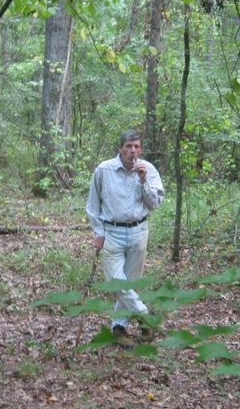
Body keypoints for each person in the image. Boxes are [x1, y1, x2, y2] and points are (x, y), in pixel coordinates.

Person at [86, 129, 164, 343]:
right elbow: (93, 205)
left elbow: (155, 203)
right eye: (128, 146)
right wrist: (98, 232)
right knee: (116, 281)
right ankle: (146, 316)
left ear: (141, 149)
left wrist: (143, 181)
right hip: (112, 232)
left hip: (139, 231)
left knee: (130, 282)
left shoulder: (148, 170)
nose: (132, 151)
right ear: (120, 148)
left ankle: (119, 328)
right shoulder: (104, 170)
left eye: (136, 147)